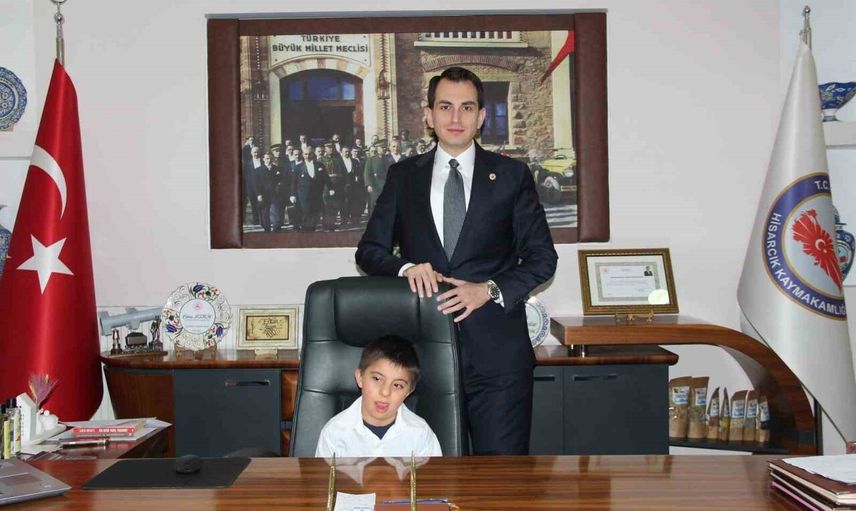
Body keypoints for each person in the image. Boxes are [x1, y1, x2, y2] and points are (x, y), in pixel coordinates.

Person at [356, 66, 557, 455]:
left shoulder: (512, 175)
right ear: (429, 115)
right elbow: (369, 250)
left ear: (481, 116)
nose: (455, 117)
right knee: (424, 476)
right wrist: (405, 268)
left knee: (501, 478)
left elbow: (542, 258)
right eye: (445, 106)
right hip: (421, 359)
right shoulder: (403, 177)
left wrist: (488, 290)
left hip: (498, 361)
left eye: (467, 107)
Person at [315, 335, 442, 458]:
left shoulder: (421, 434)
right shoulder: (333, 433)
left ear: (409, 391)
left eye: (397, 385)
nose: (385, 392)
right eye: (377, 379)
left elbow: (436, 473)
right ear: (360, 378)